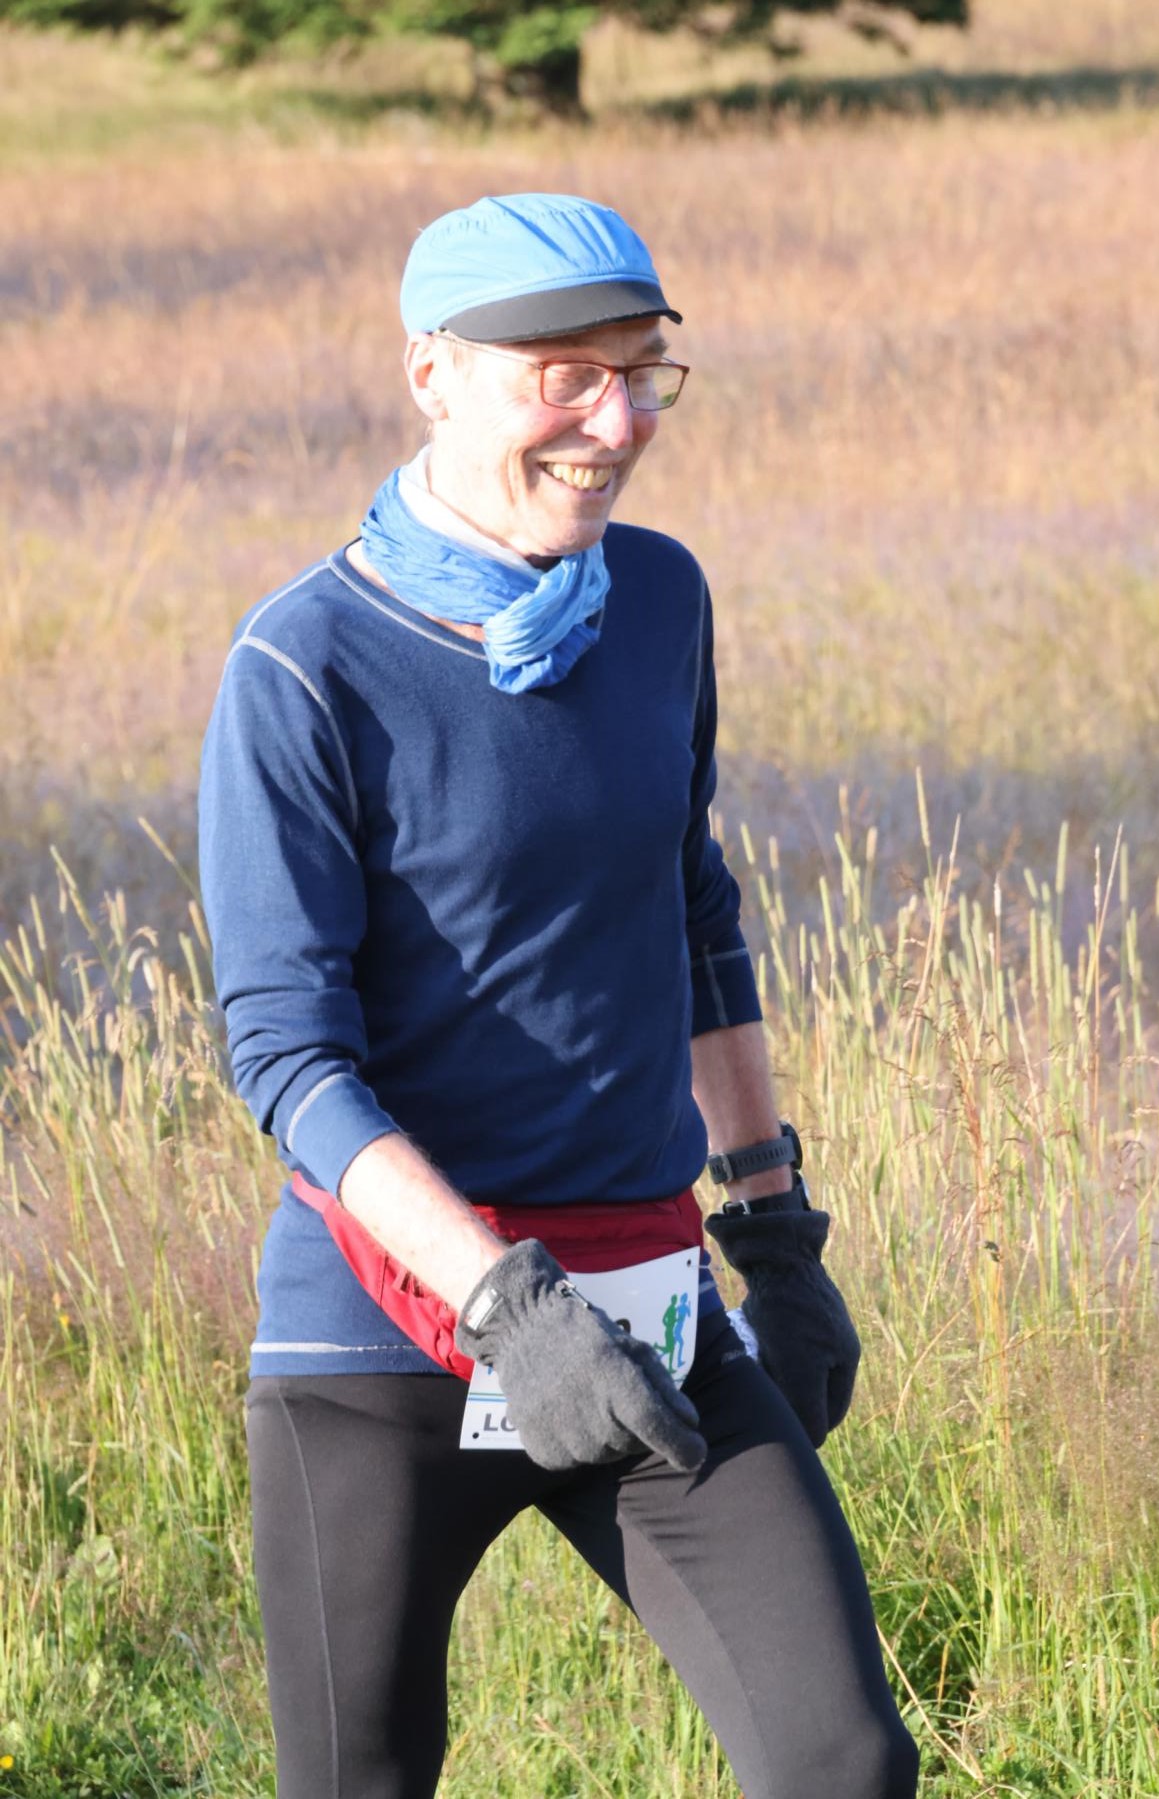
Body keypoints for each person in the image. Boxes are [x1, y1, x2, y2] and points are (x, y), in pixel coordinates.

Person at [198, 191, 919, 1799]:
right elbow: (289, 1060)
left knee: (842, 1760)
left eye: (644, 374)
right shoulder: (304, 668)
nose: (618, 422)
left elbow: (692, 908)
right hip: (383, 1346)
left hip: (649, 1305)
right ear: (433, 373)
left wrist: (773, 1230)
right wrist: (506, 1307)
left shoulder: (657, 601)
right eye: (567, 377)